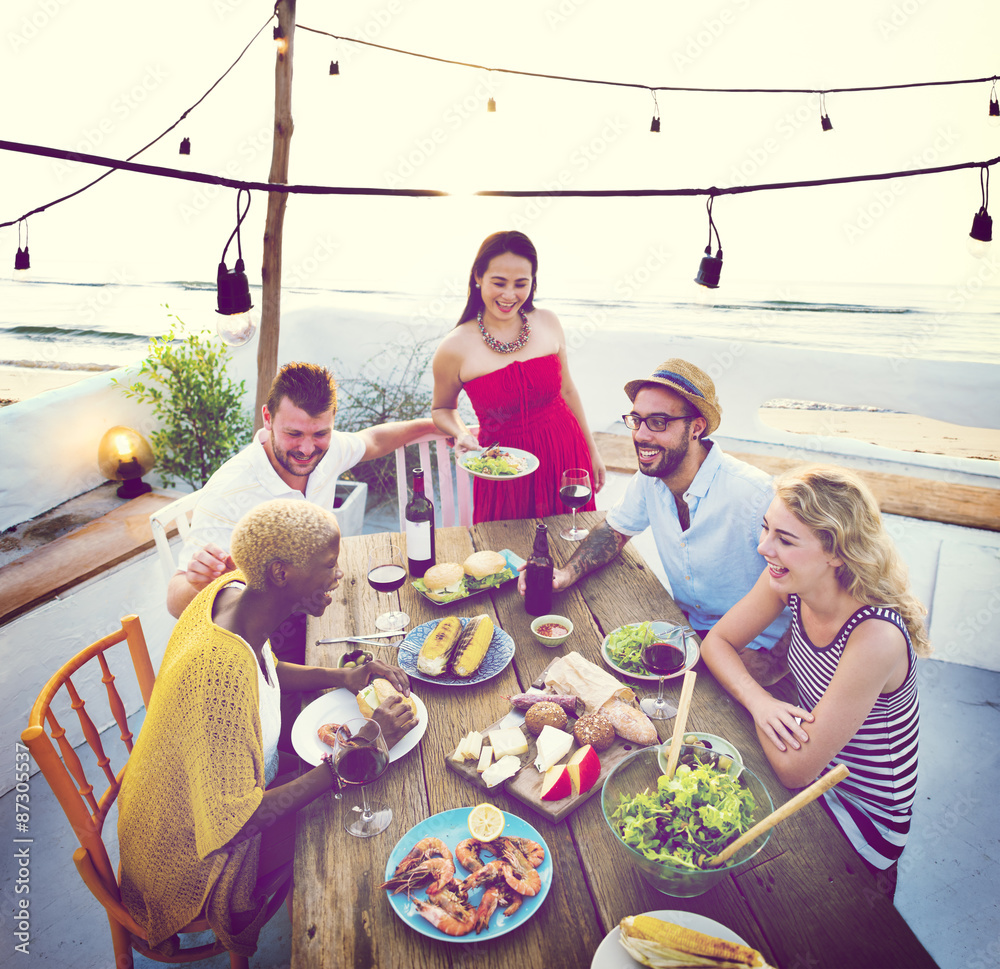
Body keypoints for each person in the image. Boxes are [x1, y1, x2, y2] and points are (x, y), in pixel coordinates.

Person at [118, 499, 417, 957]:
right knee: (351, 828)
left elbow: (267, 670)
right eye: (328, 564)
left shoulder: (233, 594)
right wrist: (357, 751)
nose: (337, 575)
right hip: (190, 855)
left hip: (189, 799)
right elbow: (239, 823)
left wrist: (340, 677)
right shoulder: (217, 677)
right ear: (280, 573)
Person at [701, 465, 930, 897]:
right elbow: (717, 643)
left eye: (785, 540)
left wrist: (758, 699)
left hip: (863, 813)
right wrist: (760, 701)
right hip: (809, 749)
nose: (763, 546)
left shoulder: (875, 636)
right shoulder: (787, 579)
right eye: (766, 529)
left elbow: (794, 769)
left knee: (733, 874)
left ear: (836, 552)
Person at [520, 358, 789, 662]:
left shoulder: (754, 495)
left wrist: (774, 663)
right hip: (686, 635)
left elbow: (809, 581)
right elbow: (614, 531)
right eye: (637, 420)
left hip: (754, 648)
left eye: (658, 422)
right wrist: (565, 575)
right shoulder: (651, 481)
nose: (641, 435)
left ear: (696, 427)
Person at [167, 360, 438, 624]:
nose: (307, 450)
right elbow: (175, 602)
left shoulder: (329, 449)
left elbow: (374, 441)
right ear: (267, 419)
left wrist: (437, 424)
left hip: (319, 605)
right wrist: (196, 582)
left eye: (320, 434)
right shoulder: (228, 491)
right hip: (262, 631)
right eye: (293, 433)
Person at [431, 230, 605, 523]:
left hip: (565, 451)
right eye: (499, 282)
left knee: (571, 543)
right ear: (477, 277)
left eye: (521, 284)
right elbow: (441, 408)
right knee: (504, 557)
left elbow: (569, 392)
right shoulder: (454, 347)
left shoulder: (548, 322)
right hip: (504, 468)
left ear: (533, 283)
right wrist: (462, 433)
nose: (509, 295)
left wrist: (592, 451)